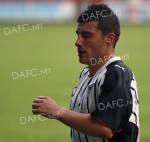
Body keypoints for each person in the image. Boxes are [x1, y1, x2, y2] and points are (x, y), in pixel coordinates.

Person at [32, 4, 139, 142]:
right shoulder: (85, 73)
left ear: (110, 38)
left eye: (86, 35)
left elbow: (105, 128)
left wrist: (57, 111)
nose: (77, 42)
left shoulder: (117, 74)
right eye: (78, 34)